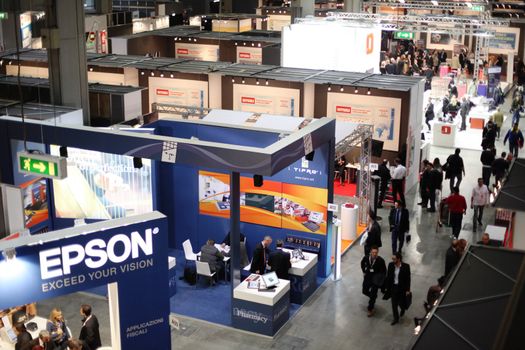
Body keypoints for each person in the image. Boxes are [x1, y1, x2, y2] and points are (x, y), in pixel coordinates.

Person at [383, 252, 411, 325]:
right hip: (393, 287)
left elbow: (408, 279)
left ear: (399, 259)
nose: (393, 260)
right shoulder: (390, 265)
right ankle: (396, 318)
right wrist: (386, 287)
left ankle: (402, 309)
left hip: (402, 288)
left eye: (394, 259)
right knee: (394, 304)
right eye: (392, 259)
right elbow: (388, 277)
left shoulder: (406, 266)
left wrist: (408, 290)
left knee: (401, 302)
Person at [361, 246, 387, 317]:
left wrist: (380, 280)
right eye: (373, 252)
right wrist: (364, 271)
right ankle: (373, 297)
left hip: (376, 280)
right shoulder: (366, 258)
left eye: (376, 252)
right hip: (367, 277)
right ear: (370, 252)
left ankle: (370, 309)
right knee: (364, 291)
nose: (374, 254)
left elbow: (384, 271)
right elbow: (362, 263)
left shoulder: (381, 260)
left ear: (377, 253)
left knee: (372, 295)